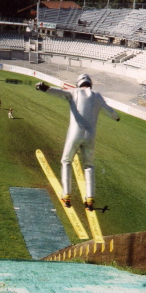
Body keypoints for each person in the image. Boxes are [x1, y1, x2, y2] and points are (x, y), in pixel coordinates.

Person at [36, 73, 120, 210]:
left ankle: (67, 195)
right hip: (90, 136)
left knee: (66, 161)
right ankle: (90, 199)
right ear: (90, 84)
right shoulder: (97, 96)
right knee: (89, 166)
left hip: (75, 133)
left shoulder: (74, 92)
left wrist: (44, 88)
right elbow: (110, 112)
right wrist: (117, 118)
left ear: (78, 84)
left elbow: (58, 92)